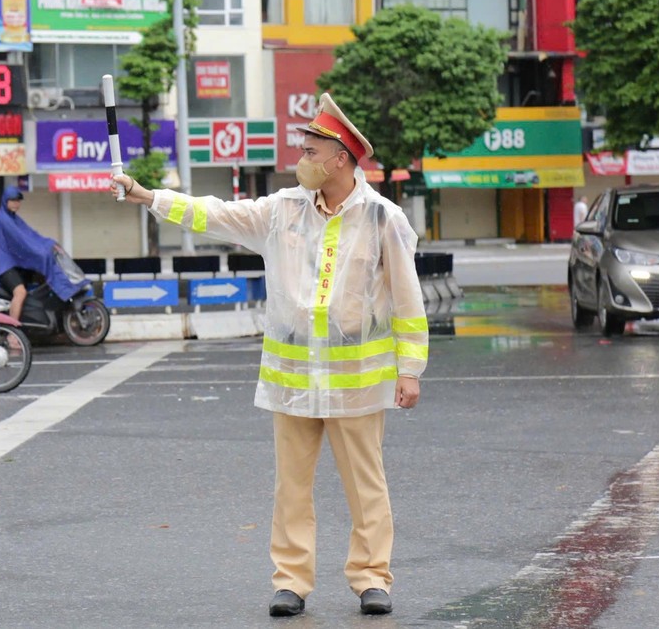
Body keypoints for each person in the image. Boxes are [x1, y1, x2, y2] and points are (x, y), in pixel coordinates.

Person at [110, 93, 427, 618]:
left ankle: (373, 578)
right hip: (294, 379)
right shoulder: (279, 211)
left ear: (341, 158)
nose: (302, 158)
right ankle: (292, 582)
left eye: (311, 150)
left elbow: (407, 298)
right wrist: (147, 196)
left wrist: (411, 369)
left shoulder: (382, 218)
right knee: (291, 488)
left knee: (367, 486)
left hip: (357, 381)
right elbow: (214, 214)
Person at [0, 185, 80, 322]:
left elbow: (31, 235)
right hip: (3, 267)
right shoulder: (2, 219)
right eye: (13, 200)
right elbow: (22, 242)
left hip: (13, 264)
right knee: (20, 293)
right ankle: (12, 333)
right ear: (5, 201)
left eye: (18, 201)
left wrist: (49, 244)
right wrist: (40, 251)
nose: (16, 203)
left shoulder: (14, 218)